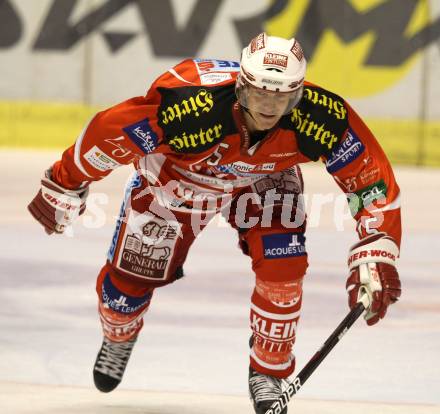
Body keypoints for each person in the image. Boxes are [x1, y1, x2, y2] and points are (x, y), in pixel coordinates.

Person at [28, 33, 402, 414]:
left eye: (283, 97)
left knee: (283, 266)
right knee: (127, 288)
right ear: (241, 87)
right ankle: (118, 334)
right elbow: (111, 132)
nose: (270, 107)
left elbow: (370, 180)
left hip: (265, 177)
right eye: (260, 94)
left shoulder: (320, 117)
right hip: (180, 177)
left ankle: (269, 370)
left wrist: (378, 245)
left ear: (299, 95)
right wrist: (65, 179)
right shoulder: (191, 109)